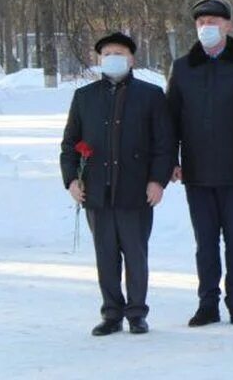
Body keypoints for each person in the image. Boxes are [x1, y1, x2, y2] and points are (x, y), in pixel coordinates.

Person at [60, 32, 174, 336]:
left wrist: (157, 180)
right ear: (99, 59)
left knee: (135, 254)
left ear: (131, 58)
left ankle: (137, 312)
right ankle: (111, 312)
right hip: (97, 191)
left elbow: (164, 144)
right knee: (105, 255)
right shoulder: (85, 97)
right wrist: (72, 179)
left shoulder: (150, 95)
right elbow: (70, 143)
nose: (112, 58)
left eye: (119, 53)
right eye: (107, 53)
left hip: (136, 190)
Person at [166, 0, 233, 327]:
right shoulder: (183, 67)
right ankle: (208, 302)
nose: (208, 27)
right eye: (202, 22)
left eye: (214, 22)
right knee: (205, 242)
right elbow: (171, 119)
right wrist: (171, 161)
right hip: (197, 169)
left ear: (228, 26)